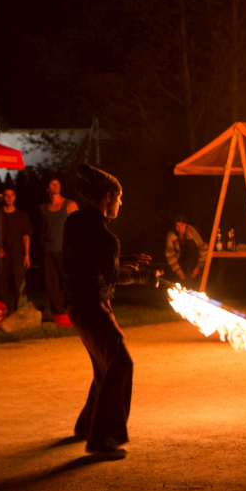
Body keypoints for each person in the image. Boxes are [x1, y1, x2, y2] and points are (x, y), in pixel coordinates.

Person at [64, 163, 160, 460]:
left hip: (76, 307)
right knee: (120, 364)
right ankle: (103, 438)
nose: (121, 203)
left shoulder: (75, 222)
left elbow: (95, 261)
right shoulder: (107, 238)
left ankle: (86, 425)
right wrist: (146, 277)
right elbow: (110, 274)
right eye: (119, 198)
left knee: (104, 366)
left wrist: (123, 259)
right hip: (94, 308)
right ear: (107, 197)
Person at [0, 188, 33, 313]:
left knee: (19, 287)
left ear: (15, 197)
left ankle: (20, 313)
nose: (9, 198)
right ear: (3, 198)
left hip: (18, 256)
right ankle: (2, 314)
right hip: (2, 258)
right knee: (1, 288)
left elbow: (26, 236)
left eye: (11, 195)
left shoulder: (22, 215)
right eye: (6, 196)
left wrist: (27, 255)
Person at [41, 178, 78, 326]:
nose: (56, 185)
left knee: (67, 283)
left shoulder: (70, 205)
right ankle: (58, 315)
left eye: (58, 183)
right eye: (52, 183)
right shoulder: (43, 208)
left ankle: (71, 314)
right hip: (49, 250)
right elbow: (43, 231)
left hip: (65, 250)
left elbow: (78, 228)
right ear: (47, 189)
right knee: (51, 284)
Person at [164, 215, 208, 288]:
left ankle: (191, 284)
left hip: (193, 259)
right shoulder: (171, 235)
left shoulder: (191, 232)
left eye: (182, 225)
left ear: (186, 225)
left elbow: (203, 248)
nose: (180, 228)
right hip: (179, 261)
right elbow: (170, 255)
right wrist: (178, 270)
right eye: (177, 226)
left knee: (190, 244)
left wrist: (198, 267)